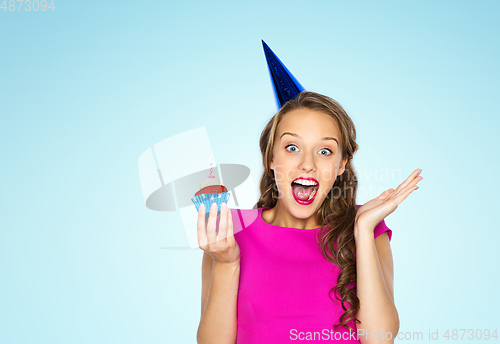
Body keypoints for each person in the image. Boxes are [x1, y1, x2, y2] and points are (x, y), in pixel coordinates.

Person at [196, 91, 422, 344]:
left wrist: (363, 231)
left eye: (325, 151)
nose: (307, 164)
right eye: (292, 147)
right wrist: (227, 263)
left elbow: (380, 340)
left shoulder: (368, 227)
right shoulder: (229, 230)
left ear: (341, 164)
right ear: (271, 158)